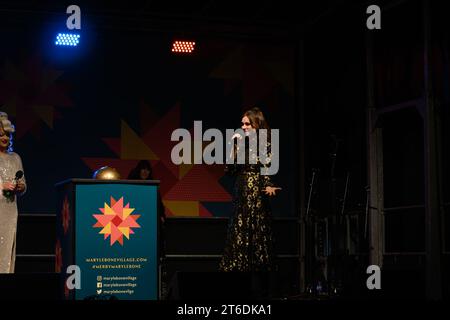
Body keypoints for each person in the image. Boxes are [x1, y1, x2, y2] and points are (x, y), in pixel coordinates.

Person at [219, 107, 281, 297]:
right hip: (241, 193)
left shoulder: (265, 144)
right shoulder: (239, 144)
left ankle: (260, 290)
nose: (243, 126)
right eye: (242, 123)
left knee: (257, 239)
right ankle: (238, 289)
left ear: (256, 125)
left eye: (247, 123)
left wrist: (269, 185)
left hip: (256, 195)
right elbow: (229, 169)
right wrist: (233, 146)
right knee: (238, 238)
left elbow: (267, 169)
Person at [0, 112, 26, 273]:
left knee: (8, 245)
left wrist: (20, 187)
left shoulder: (15, 158)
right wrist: (2, 185)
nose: (5, 138)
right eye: (1, 134)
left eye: (8, 135)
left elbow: (23, 184)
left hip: (9, 211)